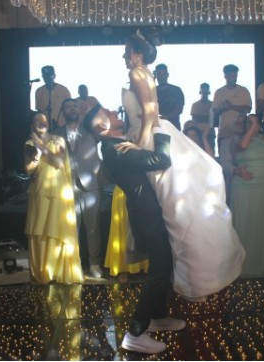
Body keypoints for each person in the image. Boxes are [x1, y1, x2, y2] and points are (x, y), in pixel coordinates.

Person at [120, 29, 245, 299]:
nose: (123, 56)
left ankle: (189, 274)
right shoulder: (147, 73)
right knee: (173, 205)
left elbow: (149, 113)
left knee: (171, 208)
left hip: (148, 136)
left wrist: (139, 146)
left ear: (138, 54)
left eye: (126, 52)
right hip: (155, 132)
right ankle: (188, 273)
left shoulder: (136, 73)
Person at [83, 104, 186, 354]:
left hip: (148, 212)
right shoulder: (115, 149)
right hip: (147, 215)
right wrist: (159, 130)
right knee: (159, 269)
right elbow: (161, 160)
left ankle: (158, 317)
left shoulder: (117, 145)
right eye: (107, 112)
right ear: (103, 126)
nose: (113, 111)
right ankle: (135, 333)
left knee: (163, 265)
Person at [23, 111, 83, 284]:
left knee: (58, 228)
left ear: (48, 123)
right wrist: (37, 154)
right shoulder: (29, 143)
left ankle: (60, 271)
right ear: (31, 125)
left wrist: (42, 147)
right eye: (36, 120)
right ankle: (45, 272)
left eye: (43, 120)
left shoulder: (58, 140)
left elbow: (58, 163)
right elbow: (28, 169)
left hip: (59, 192)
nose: (41, 122)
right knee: (41, 229)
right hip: (40, 191)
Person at [230, 113, 264, 277]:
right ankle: (245, 264)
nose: (252, 123)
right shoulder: (237, 140)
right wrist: (253, 126)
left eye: (254, 121)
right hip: (246, 187)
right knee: (247, 223)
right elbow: (243, 146)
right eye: (249, 121)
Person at [57, 98, 103, 278]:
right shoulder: (55, 134)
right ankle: (74, 264)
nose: (72, 109)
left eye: (74, 106)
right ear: (63, 111)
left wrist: (88, 108)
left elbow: (102, 118)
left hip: (90, 187)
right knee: (71, 230)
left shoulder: (90, 132)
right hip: (66, 188)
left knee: (93, 228)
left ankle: (94, 264)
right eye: (68, 106)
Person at [210, 64, 252, 203]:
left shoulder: (243, 90)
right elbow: (214, 112)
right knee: (226, 167)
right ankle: (227, 200)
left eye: (235, 75)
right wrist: (222, 108)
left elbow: (248, 109)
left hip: (241, 135)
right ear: (225, 76)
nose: (233, 77)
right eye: (231, 75)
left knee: (240, 162)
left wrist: (231, 106)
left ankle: (242, 195)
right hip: (224, 134)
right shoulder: (219, 92)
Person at [33, 65, 71, 131]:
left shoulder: (64, 90)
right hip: (45, 128)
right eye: (45, 76)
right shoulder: (39, 91)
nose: (47, 78)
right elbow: (39, 110)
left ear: (54, 76)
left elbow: (69, 109)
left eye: (49, 76)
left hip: (62, 128)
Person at [154, 64, 185, 130]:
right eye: (159, 74)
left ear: (167, 75)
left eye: (163, 74)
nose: (161, 77)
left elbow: (180, 109)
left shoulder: (176, 90)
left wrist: (167, 117)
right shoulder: (152, 91)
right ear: (156, 76)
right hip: (157, 126)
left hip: (173, 126)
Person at [189, 82, 215, 153]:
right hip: (198, 134)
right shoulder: (195, 105)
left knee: (210, 154)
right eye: (203, 89)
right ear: (200, 91)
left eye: (206, 89)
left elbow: (213, 120)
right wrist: (207, 117)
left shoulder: (213, 104)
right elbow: (194, 119)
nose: (204, 91)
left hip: (210, 134)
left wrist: (201, 117)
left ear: (209, 91)